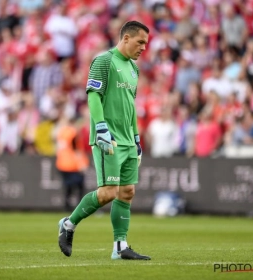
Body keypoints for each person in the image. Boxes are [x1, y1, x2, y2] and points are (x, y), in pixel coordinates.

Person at [58, 21, 151, 260]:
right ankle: (69, 224)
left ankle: (120, 247)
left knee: (127, 191)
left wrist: (137, 138)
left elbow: (130, 107)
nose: (143, 48)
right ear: (126, 38)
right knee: (108, 192)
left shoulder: (134, 69)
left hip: (128, 140)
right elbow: (93, 96)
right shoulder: (103, 61)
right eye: (140, 42)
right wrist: (100, 127)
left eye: (146, 44)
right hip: (107, 138)